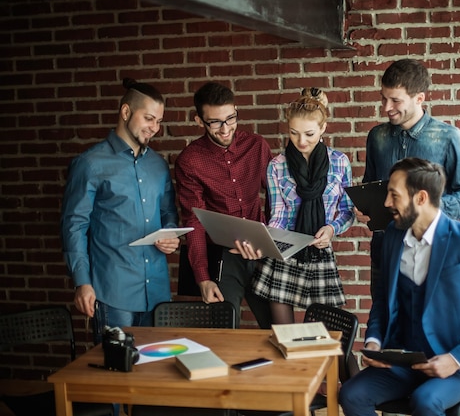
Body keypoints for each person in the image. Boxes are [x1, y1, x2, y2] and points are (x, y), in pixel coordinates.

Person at [339, 157, 460, 416]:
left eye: (394, 195)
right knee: (351, 395)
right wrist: (374, 342)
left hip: (456, 362)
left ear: (421, 198)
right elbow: (382, 298)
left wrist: (455, 359)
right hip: (403, 360)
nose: (386, 203)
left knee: (426, 401)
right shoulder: (392, 236)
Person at [61, 78, 180, 344]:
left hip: (157, 292)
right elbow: (73, 226)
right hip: (112, 293)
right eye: (149, 118)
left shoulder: (158, 166)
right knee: (116, 373)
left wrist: (172, 237)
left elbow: (169, 215)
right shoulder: (90, 164)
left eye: (159, 121)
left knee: (155, 370)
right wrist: (82, 281)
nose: (155, 128)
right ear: (126, 112)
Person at [359, 58, 460, 298]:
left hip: (432, 251)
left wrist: (420, 210)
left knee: (430, 326)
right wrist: (365, 207)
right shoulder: (376, 137)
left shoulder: (449, 138)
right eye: (383, 98)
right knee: (386, 323)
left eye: (395, 100)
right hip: (385, 251)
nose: (386, 107)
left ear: (419, 98)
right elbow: (370, 184)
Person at [247, 88, 355, 324]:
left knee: (323, 336)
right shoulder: (277, 165)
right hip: (285, 249)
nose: (301, 141)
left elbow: (347, 211)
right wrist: (268, 239)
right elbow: (277, 214)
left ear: (323, 128)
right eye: (294, 133)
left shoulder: (339, 162)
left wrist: (331, 229)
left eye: (309, 133)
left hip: (319, 251)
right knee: (284, 333)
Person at [175, 81, 272, 329]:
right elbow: (193, 220)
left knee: (278, 330)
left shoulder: (257, 146)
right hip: (221, 257)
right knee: (223, 331)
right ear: (199, 121)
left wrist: (272, 241)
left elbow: (277, 198)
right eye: (215, 122)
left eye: (231, 118)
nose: (225, 128)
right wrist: (203, 278)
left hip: (260, 251)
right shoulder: (190, 161)